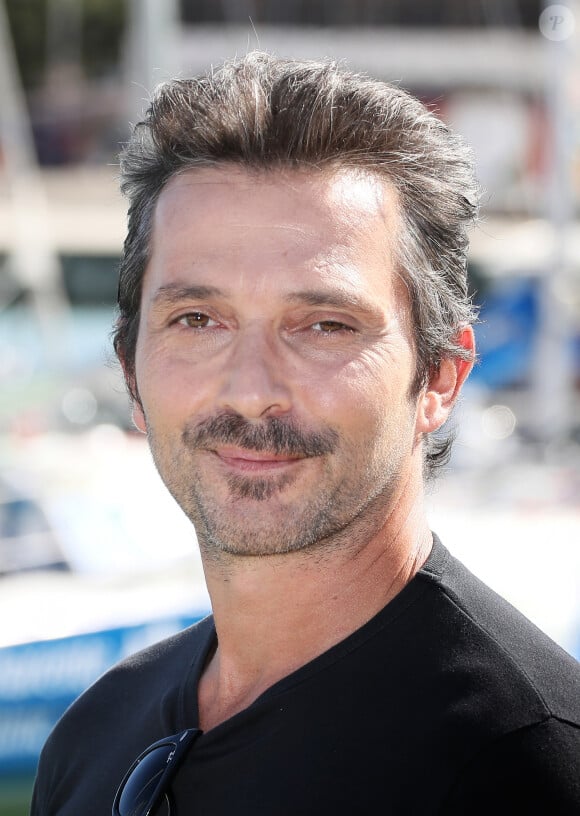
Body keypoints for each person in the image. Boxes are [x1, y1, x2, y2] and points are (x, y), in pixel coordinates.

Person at [32, 52, 579, 816]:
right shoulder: (99, 733)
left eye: (324, 325)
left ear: (442, 377)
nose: (253, 389)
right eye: (197, 320)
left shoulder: (526, 765)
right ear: (131, 371)